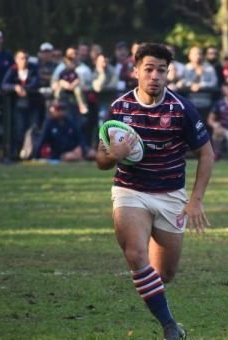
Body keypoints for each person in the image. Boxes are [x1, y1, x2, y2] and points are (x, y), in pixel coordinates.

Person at [95, 43, 214, 340]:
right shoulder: (119, 108)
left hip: (171, 194)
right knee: (136, 255)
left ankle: (154, 294)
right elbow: (100, 161)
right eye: (148, 69)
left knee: (165, 274)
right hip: (130, 190)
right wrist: (113, 154)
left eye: (162, 70)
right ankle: (170, 327)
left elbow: (207, 154)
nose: (155, 76)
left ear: (168, 73)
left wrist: (196, 200)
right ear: (135, 71)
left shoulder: (182, 109)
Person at [1, 50, 40, 159]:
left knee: (33, 129)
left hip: (32, 105)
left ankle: (32, 153)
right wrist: (15, 87)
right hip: (18, 106)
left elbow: (36, 82)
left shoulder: (33, 68)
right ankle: (17, 153)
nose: (24, 61)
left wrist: (24, 89)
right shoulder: (12, 69)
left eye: (26, 58)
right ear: (16, 60)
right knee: (19, 129)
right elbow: (4, 84)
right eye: (22, 58)